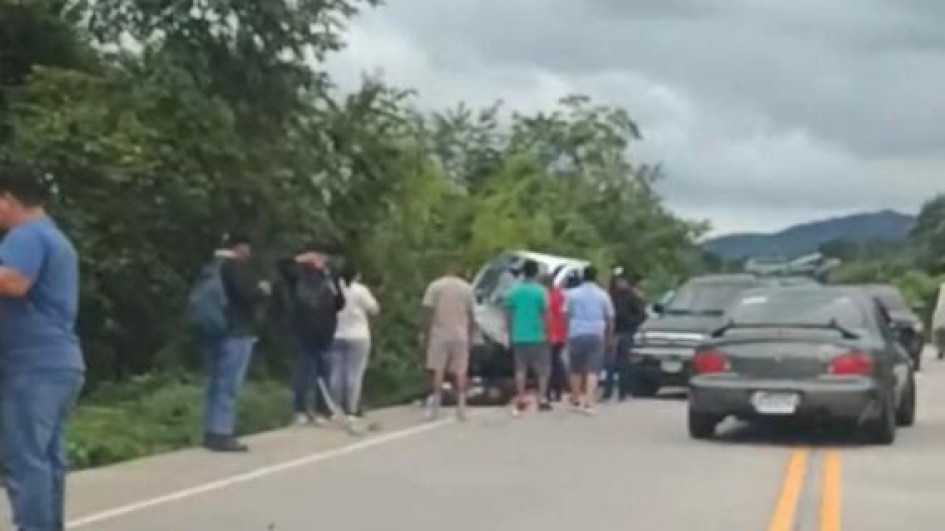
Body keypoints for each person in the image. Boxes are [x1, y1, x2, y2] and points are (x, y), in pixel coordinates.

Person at [0, 164, 85, 530]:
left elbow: (14, 283)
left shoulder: (26, 236)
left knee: (26, 460)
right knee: (47, 458)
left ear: (7, 200)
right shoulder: (54, 236)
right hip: (60, 364)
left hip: (32, 365)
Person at [200, 235, 269, 452]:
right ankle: (222, 432)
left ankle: (211, 430)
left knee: (215, 382)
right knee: (229, 384)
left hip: (215, 330)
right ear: (240, 247)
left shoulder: (213, 267)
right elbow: (246, 294)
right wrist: (262, 289)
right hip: (237, 330)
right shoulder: (234, 267)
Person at [290, 251, 346, 426]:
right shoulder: (298, 279)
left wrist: (331, 280)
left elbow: (340, 303)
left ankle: (323, 408)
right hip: (305, 332)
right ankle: (300, 409)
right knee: (304, 372)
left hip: (325, 332)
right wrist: (303, 258)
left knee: (324, 371)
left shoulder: (328, 281)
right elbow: (284, 267)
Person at [421, 262, 476, 421]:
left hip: (440, 332)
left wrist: (425, 332)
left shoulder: (435, 286)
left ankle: (435, 408)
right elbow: (472, 315)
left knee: (438, 370)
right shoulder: (467, 288)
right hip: (460, 333)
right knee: (460, 371)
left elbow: (428, 310)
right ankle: (461, 407)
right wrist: (471, 334)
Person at [330, 263, 380, 419]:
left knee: (336, 373)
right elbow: (374, 309)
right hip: (358, 335)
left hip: (337, 334)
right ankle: (352, 408)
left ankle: (335, 407)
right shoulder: (360, 290)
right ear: (356, 275)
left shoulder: (333, 289)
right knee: (354, 373)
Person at [566, 265, 615, 415]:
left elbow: (566, 313)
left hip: (576, 332)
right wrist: (609, 336)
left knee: (576, 368)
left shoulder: (572, 294)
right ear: (595, 277)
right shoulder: (603, 295)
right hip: (596, 333)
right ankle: (589, 401)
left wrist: (568, 329)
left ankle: (575, 399)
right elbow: (610, 317)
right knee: (593, 369)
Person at [505, 260, 551, 415]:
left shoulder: (514, 292)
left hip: (519, 335)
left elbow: (509, 315)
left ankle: (520, 398)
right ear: (536, 273)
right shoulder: (541, 292)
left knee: (520, 369)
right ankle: (542, 398)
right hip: (537, 335)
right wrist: (547, 332)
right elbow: (545, 314)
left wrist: (510, 333)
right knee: (542, 369)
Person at [603, 269, 647, 401]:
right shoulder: (610, 296)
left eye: (622, 281)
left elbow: (641, 315)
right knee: (610, 364)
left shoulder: (632, 297)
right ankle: (607, 391)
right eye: (618, 281)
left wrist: (631, 323)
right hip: (613, 332)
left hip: (626, 332)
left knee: (624, 363)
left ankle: (623, 391)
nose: (620, 283)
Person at [543, 273, 567, 403]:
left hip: (548, 333)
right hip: (560, 333)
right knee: (557, 362)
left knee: (547, 364)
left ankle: (548, 391)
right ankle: (558, 390)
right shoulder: (561, 295)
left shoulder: (545, 296)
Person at [933, 282, 945, 360]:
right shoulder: (942, 287)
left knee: (939, 334)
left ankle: (940, 352)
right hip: (940, 315)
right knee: (939, 334)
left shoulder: (942, 286)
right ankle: (940, 352)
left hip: (939, 315)